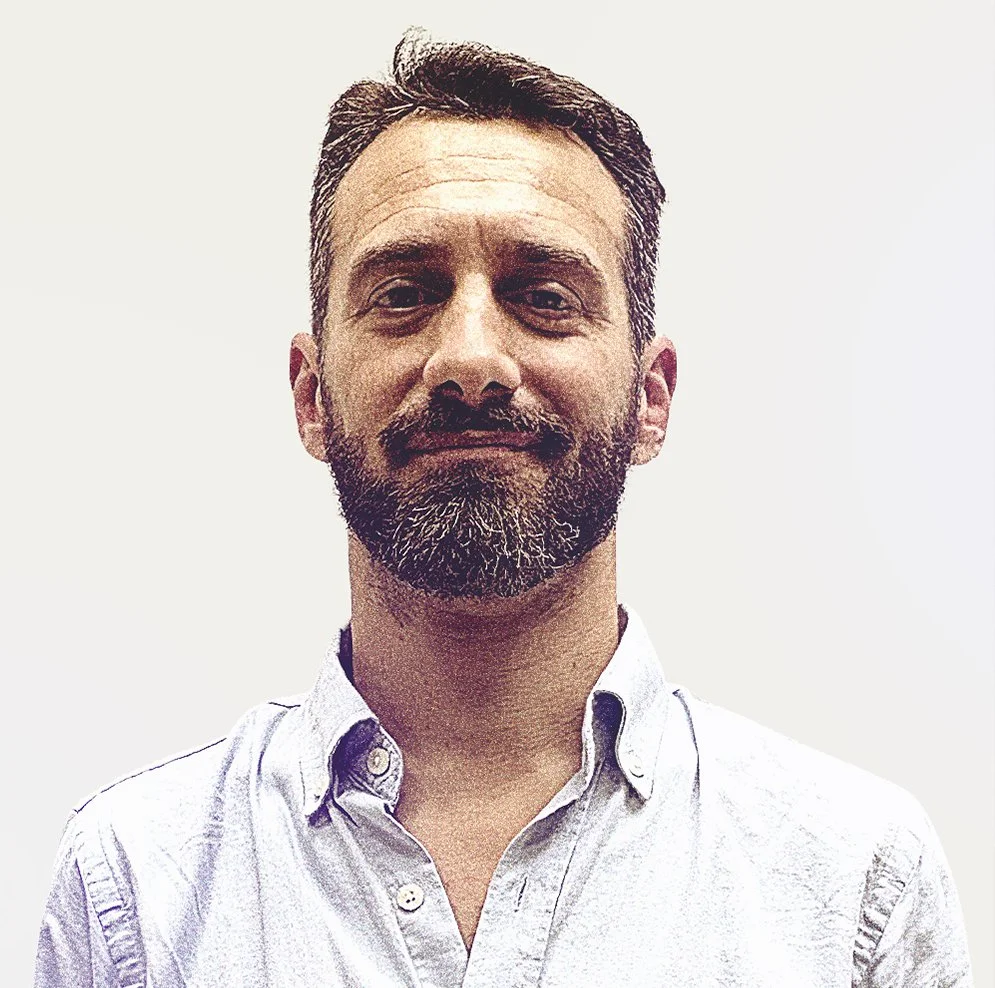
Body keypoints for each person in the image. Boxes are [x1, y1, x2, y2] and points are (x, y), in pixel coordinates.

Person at [35, 33, 973, 988]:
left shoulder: (852, 879)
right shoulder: (134, 889)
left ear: (650, 398)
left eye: (544, 297)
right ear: (311, 395)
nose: (471, 361)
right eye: (404, 294)